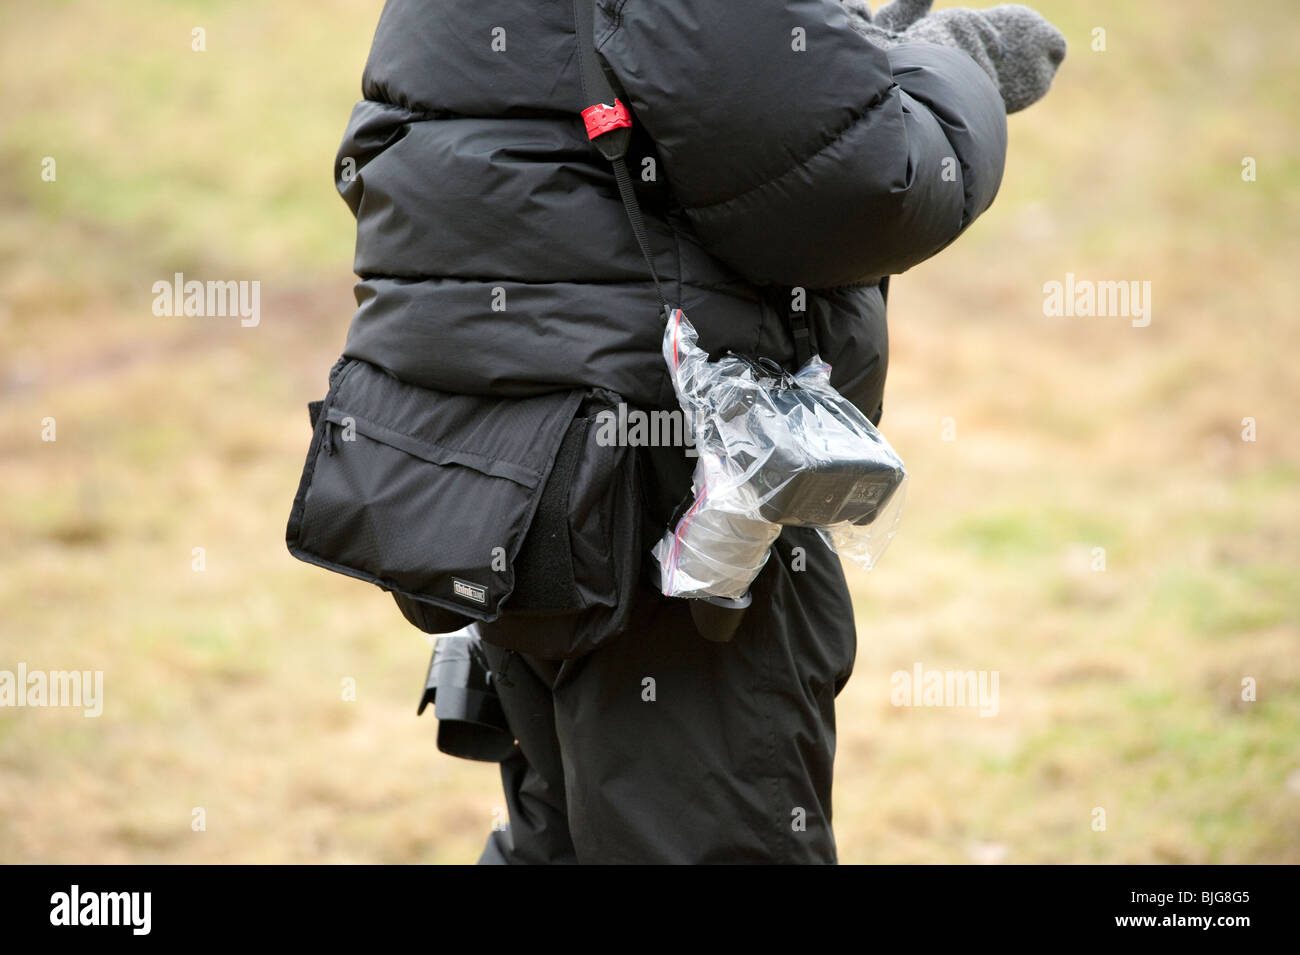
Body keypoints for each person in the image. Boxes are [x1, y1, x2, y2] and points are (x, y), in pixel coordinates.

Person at [332, 0, 1065, 863]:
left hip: (501, 477)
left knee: (562, 840)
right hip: (668, 512)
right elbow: (871, 185)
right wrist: (948, 67)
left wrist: (831, 52)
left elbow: (391, 155)